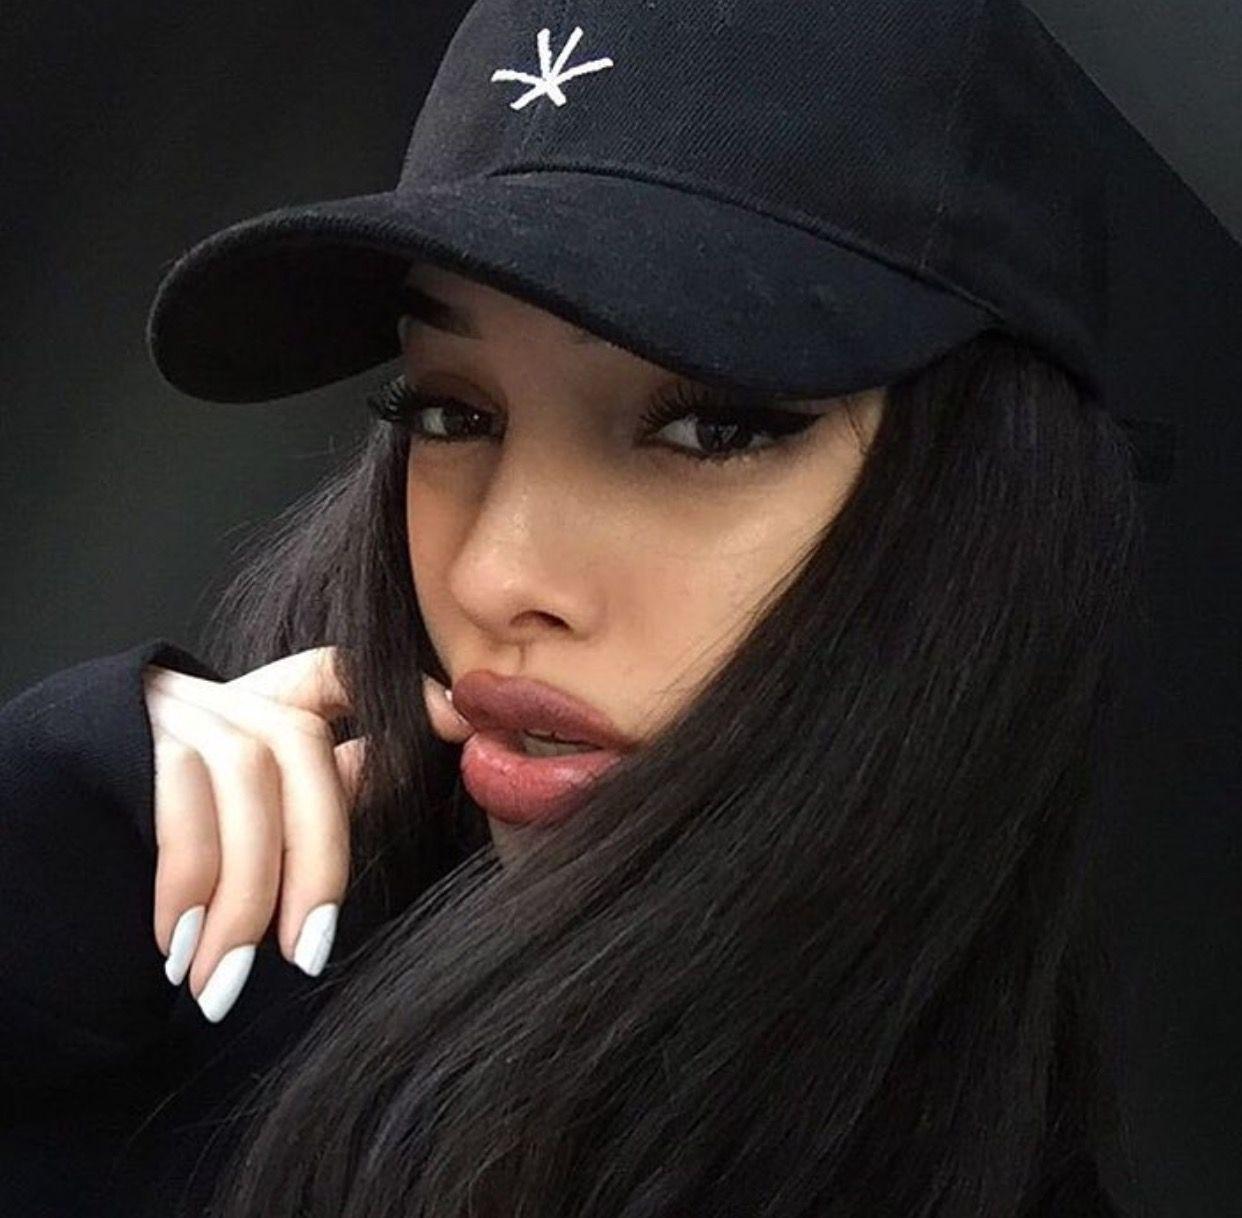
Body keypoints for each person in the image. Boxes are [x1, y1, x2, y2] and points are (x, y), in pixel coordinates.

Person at [1, 0, 1151, 1215]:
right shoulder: (176, 952)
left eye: (714, 429)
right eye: (453, 411)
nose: (492, 576)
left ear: (988, 512)